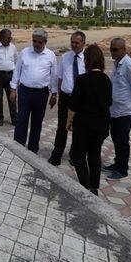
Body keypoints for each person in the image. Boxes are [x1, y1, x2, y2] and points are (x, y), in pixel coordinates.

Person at [66, 44, 112, 195]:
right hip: (101, 125)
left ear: (87, 60)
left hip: (84, 125)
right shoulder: (106, 80)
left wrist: (69, 121)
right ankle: (94, 187)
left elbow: (73, 105)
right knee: (94, 154)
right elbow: (109, 102)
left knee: (78, 155)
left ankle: (85, 186)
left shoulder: (82, 79)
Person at [10, 29, 58, 153]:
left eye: (39, 42)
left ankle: (32, 149)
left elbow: (53, 76)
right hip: (25, 91)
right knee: (22, 120)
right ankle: (18, 147)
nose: (36, 44)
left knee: (37, 122)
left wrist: (54, 93)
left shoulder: (50, 55)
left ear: (45, 42)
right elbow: (17, 71)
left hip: (41, 94)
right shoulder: (25, 52)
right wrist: (13, 89)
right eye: (34, 41)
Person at [102, 38, 131, 180]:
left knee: (122, 141)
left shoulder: (129, 65)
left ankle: (122, 169)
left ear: (124, 49)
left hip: (125, 110)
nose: (112, 52)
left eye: (115, 50)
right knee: (116, 139)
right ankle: (117, 163)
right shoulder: (117, 64)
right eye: (111, 49)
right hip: (114, 109)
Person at [48, 31, 86, 166]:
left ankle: (75, 156)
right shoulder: (65, 57)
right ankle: (56, 156)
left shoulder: (88, 59)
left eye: (77, 42)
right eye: (72, 42)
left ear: (83, 43)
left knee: (79, 129)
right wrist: (57, 94)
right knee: (62, 127)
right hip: (66, 97)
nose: (74, 45)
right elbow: (60, 78)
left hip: (81, 100)